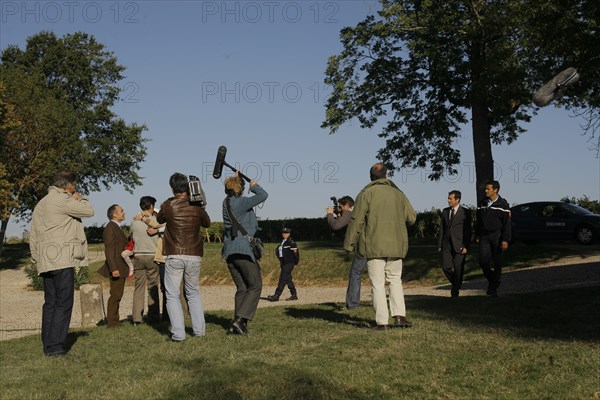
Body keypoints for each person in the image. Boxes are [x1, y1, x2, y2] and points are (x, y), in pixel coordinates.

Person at [344, 163, 416, 330]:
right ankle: (399, 316)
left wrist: (349, 244)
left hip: (373, 244)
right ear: (386, 175)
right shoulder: (398, 194)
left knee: (377, 283)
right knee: (395, 280)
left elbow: (356, 221)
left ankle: (382, 322)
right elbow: (412, 217)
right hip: (396, 245)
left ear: (371, 177)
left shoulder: (366, 193)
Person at [29, 171, 94, 356]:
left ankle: (47, 344)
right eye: (74, 185)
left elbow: (33, 233)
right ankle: (56, 346)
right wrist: (80, 198)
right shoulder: (63, 200)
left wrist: (36, 257)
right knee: (64, 302)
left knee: (50, 302)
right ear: (69, 185)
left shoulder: (41, 203)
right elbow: (89, 211)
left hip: (45, 258)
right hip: (62, 257)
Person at [157, 173, 211, 342]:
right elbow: (207, 223)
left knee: (172, 295)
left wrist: (168, 202)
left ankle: (178, 334)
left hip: (174, 254)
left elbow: (159, 219)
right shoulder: (196, 206)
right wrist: (200, 203)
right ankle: (199, 331)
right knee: (193, 292)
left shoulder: (168, 205)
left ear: (172, 188)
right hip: (194, 254)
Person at [221, 174, 268, 335]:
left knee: (242, 287)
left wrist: (238, 178)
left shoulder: (225, 202)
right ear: (241, 189)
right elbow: (263, 195)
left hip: (229, 252)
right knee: (255, 286)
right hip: (243, 251)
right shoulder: (242, 202)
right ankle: (240, 321)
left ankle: (236, 324)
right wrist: (254, 186)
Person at [327, 196, 367, 309]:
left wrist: (330, 214)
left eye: (340, 207)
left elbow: (336, 226)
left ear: (347, 205)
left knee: (355, 274)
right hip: (371, 246)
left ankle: (353, 304)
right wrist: (340, 216)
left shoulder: (349, 213)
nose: (339, 209)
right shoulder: (358, 211)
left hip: (363, 248)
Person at [476, 180, 511, 297]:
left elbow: (507, 224)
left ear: (495, 190)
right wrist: (477, 234)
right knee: (483, 261)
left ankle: (493, 289)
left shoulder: (503, 205)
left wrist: (505, 239)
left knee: (497, 262)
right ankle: (493, 281)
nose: (485, 191)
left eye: (488, 189)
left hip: (497, 236)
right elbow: (478, 221)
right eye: (485, 189)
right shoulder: (482, 203)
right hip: (484, 237)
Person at [130, 196, 161, 324]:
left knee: (139, 287)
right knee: (153, 286)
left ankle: (137, 317)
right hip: (152, 255)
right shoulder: (155, 221)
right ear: (152, 206)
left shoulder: (134, 222)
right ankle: (153, 316)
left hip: (138, 255)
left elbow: (131, 236)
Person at [99, 204, 130, 328]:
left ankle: (114, 320)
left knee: (118, 294)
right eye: (121, 211)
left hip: (120, 266)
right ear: (114, 214)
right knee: (116, 295)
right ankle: (112, 322)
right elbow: (109, 250)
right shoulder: (110, 228)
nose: (124, 213)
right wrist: (114, 269)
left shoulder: (115, 227)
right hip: (116, 267)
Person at [437, 190, 472, 297]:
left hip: (460, 245)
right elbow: (442, 229)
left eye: (450, 199)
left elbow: (468, 231)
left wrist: (466, 246)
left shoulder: (465, 212)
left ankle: (455, 290)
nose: (448, 201)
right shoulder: (445, 211)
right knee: (445, 266)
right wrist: (439, 244)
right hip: (446, 244)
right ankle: (456, 283)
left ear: (457, 199)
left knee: (458, 268)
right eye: (448, 198)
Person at [267, 227, 300, 302]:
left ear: (289, 233)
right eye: (283, 233)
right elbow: (279, 251)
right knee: (288, 279)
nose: (284, 234)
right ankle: (294, 295)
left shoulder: (291, 242)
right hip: (283, 263)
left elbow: (296, 253)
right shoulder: (282, 242)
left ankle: (277, 295)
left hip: (289, 263)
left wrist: (295, 262)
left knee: (282, 279)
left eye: (286, 233)